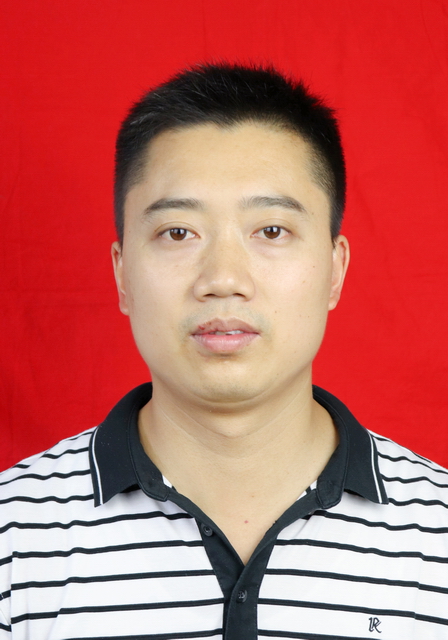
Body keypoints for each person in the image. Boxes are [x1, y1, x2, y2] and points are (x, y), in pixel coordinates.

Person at [0, 63, 447, 640]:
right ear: (122, 275)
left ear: (335, 271)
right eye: (178, 233)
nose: (223, 279)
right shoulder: (14, 539)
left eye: (271, 231)